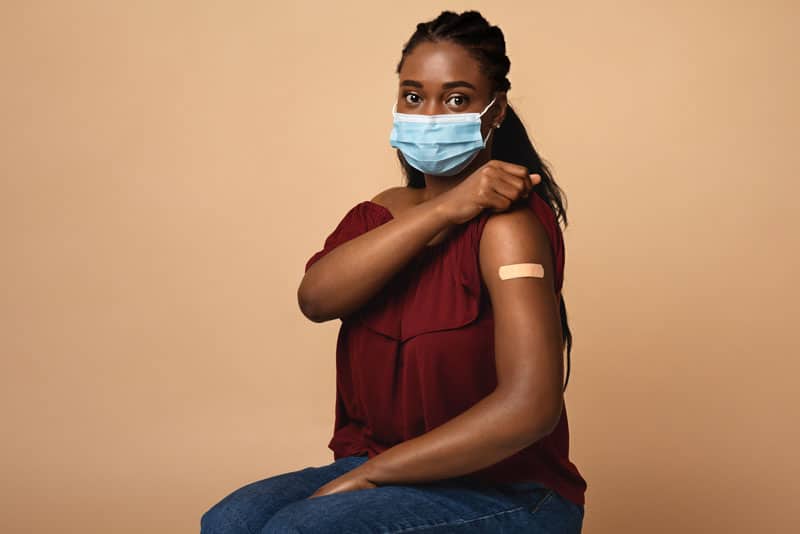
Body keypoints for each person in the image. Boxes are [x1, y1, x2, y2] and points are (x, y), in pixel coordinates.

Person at [201, 10, 587, 533]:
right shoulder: (378, 217)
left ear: (495, 112)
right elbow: (316, 299)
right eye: (413, 96)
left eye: (455, 99)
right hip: (384, 468)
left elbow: (531, 405)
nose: (429, 115)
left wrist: (372, 477)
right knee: (230, 522)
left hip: (506, 489)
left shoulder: (508, 230)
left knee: (299, 531)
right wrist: (445, 208)